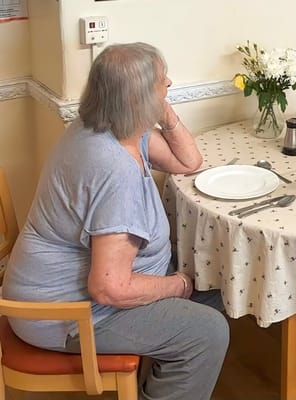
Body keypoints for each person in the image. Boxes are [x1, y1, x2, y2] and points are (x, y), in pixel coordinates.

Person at [3, 43, 229, 400]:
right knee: (208, 331)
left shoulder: (112, 126)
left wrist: (164, 112)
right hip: (68, 316)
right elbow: (110, 288)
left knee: (213, 287)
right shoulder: (112, 169)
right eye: (160, 81)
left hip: (74, 296)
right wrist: (178, 286)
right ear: (136, 100)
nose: (169, 81)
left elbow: (188, 162)